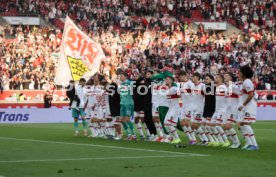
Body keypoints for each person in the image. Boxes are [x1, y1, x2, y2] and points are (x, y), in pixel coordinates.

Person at [238, 65, 259, 150]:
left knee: (246, 124)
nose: (239, 73)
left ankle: (254, 144)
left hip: (250, 105)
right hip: (247, 106)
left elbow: (250, 95)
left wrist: (243, 105)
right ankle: (249, 143)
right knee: (242, 124)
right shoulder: (245, 82)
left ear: (244, 73)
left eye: (240, 72)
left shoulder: (247, 81)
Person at [210, 74, 230, 147]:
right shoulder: (216, 88)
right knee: (211, 125)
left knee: (218, 126)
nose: (215, 78)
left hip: (222, 110)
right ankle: (220, 141)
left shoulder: (224, 87)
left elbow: (228, 98)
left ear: (221, 79)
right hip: (216, 110)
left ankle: (226, 141)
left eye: (217, 77)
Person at [190, 72, 209, 145]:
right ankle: (202, 140)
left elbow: (207, 97)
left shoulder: (203, 86)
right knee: (193, 126)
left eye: (193, 77)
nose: (192, 78)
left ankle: (206, 140)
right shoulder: (193, 86)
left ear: (197, 77)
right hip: (193, 108)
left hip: (200, 108)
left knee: (196, 125)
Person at [179, 70, 197, 144]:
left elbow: (195, 93)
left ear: (184, 76)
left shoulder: (190, 84)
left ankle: (194, 139)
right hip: (184, 106)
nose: (179, 78)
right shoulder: (183, 84)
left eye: (180, 76)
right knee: (182, 123)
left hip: (190, 105)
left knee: (187, 123)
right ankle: (190, 139)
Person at [224, 72, 241, 148]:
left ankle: (237, 142)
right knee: (225, 127)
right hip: (228, 110)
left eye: (226, 75)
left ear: (230, 78)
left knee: (228, 126)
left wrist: (240, 107)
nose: (225, 76)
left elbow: (241, 96)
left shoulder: (234, 87)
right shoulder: (228, 87)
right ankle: (234, 142)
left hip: (233, 110)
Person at [163, 76, 182, 144]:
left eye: (167, 79)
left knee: (168, 123)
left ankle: (177, 139)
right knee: (166, 124)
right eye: (166, 79)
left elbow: (180, 95)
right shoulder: (168, 89)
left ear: (171, 81)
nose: (166, 80)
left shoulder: (174, 88)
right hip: (171, 108)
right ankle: (174, 139)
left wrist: (180, 105)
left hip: (175, 108)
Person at [119, 72, 136, 140]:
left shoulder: (130, 82)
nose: (120, 77)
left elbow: (135, 88)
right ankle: (128, 134)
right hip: (122, 103)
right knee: (122, 120)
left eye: (122, 76)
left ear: (126, 77)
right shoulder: (121, 84)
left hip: (128, 103)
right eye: (120, 76)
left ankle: (133, 135)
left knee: (127, 119)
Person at [203, 74, 218, 145]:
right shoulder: (206, 87)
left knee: (208, 126)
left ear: (212, 80)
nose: (205, 80)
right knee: (205, 126)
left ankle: (215, 140)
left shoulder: (213, 87)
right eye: (205, 79)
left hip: (212, 108)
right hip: (206, 108)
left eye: (207, 79)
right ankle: (211, 140)